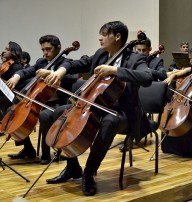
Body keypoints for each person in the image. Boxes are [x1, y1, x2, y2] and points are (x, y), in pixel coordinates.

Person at [42, 21, 152, 196]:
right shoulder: (101, 54)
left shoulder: (134, 58)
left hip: (123, 113)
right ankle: (73, 167)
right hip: (95, 105)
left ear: (117, 37)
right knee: (56, 112)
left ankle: (89, 172)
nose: (100, 38)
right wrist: (60, 71)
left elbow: (147, 77)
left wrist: (115, 70)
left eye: (104, 34)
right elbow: (77, 63)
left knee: (109, 121)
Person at [6, 35, 78, 164]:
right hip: (39, 101)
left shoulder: (67, 63)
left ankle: (46, 154)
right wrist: (17, 76)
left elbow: (72, 78)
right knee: (12, 110)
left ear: (58, 48)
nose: (45, 53)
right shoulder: (41, 62)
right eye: (43, 50)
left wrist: (52, 73)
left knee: (44, 116)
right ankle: (28, 149)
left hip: (58, 104)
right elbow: (28, 70)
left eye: (48, 49)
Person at [0, 42, 24, 121]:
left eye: (7, 49)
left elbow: (10, 87)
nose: (4, 51)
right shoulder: (6, 65)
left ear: (14, 52)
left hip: (10, 96)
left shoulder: (17, 67)